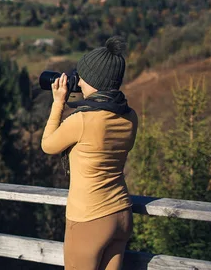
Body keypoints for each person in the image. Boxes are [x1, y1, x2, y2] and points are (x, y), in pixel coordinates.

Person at [41, 36, 138, 270]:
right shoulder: (130, 117)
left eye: (82, 78)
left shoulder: (83, 120)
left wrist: (58, 103)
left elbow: (48, 145)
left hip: (89, 218)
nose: (80, 83)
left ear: (94, 80)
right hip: (121, 214)